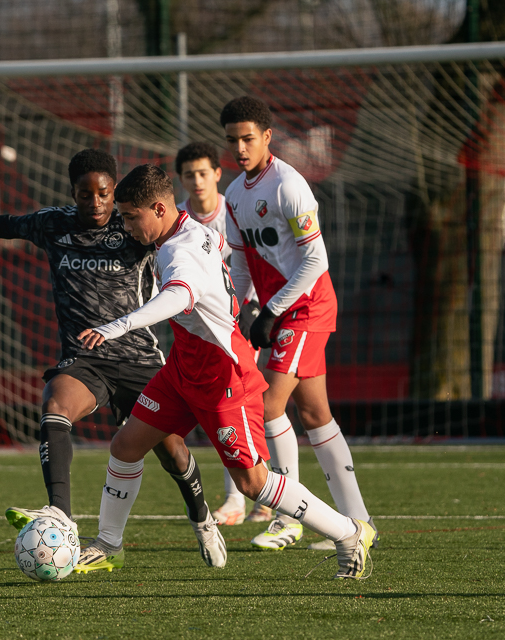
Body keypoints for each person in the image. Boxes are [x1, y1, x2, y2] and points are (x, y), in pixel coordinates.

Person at [0, 148, 224, 569]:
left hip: (139, 358)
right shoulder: (54, 224)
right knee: (55, 405)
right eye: (85, 194)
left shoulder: (135, 225)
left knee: (171, 451)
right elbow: (6, 225)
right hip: (86, 357)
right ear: (72, 192)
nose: (95, 203)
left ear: (115, 191)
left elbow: (184, 244)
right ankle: (60, 512)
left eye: (104, 194)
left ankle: (202, 517)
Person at [74, 164, 375, 580]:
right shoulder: (190, 228)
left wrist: (119, 325)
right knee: (126, 446)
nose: (125, 225)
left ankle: (348, 532)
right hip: (183, 368)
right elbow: (215, 257)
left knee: (253, 483)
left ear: (159, 209)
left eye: (129, 216)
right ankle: (108, 544)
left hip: (223, 378)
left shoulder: (178, 250)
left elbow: (179, 296)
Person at [220, 96, 378, 551]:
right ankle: (360, 523)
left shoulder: (289, 185)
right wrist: (246, 307)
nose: (240, 148)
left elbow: (316, 259)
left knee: (268, 406)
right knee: (314, 415)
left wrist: (272, 310)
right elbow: (244, 264)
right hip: (279, 310)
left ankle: (286, 517)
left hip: (307, 307)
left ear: (267, 136)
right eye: (233, 140)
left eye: (248, 138)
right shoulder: (235, 195)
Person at [175, 141, 271, 527]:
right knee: (222, 411)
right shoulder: (178, 221)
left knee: (256, 408)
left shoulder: (232, 209)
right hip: (202, 330)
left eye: (203, 173)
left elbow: (248, 260)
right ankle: (240, 497)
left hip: (242, 322)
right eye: (188, 175)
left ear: (217, 173)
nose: (197, 181)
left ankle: (261, 495)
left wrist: (252, 307)